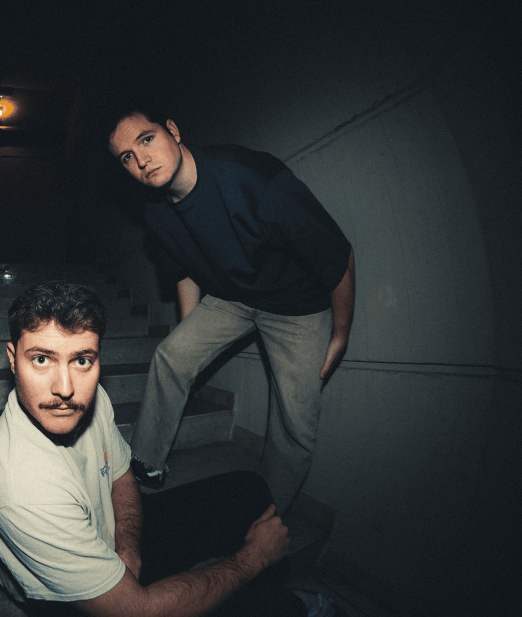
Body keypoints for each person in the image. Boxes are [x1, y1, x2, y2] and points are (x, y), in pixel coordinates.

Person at [0, 281, 337, 617]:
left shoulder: (92, 399)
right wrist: (253, 560)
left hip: (112, 537)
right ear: (13, 360)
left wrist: (129, 551)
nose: (65, 388)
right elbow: (135, 611)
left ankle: (270, 598)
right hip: (76, 601)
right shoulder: (21, 488)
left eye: (82, 360)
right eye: (41, 359)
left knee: (248, 490)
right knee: (217, 595)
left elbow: (122, 476)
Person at [102, 100, 355, 514]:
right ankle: (147, 464)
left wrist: (340, 334)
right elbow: (183, 269)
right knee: (170, 355)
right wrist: (190, 338)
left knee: (294, 421)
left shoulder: (248, 175)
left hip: (298, 308)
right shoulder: (156, 211)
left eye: (146, 140)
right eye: (127, 157)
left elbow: (337, 255)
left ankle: (265, 519)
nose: (142, 161)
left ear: (173, 131)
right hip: (234, 297)